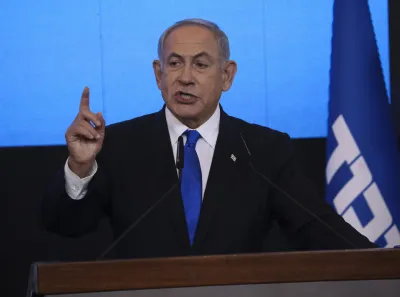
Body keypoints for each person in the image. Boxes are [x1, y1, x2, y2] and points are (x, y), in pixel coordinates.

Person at [42, 18, 376, 259]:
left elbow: (315, 228)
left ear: (227, 75)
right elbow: (66, 226)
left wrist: (386, 263)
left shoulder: (263, 150)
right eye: (175, 64)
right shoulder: (119, 145)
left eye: (200, 65)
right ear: (159, 75)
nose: (185, 78)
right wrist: (80, 167)